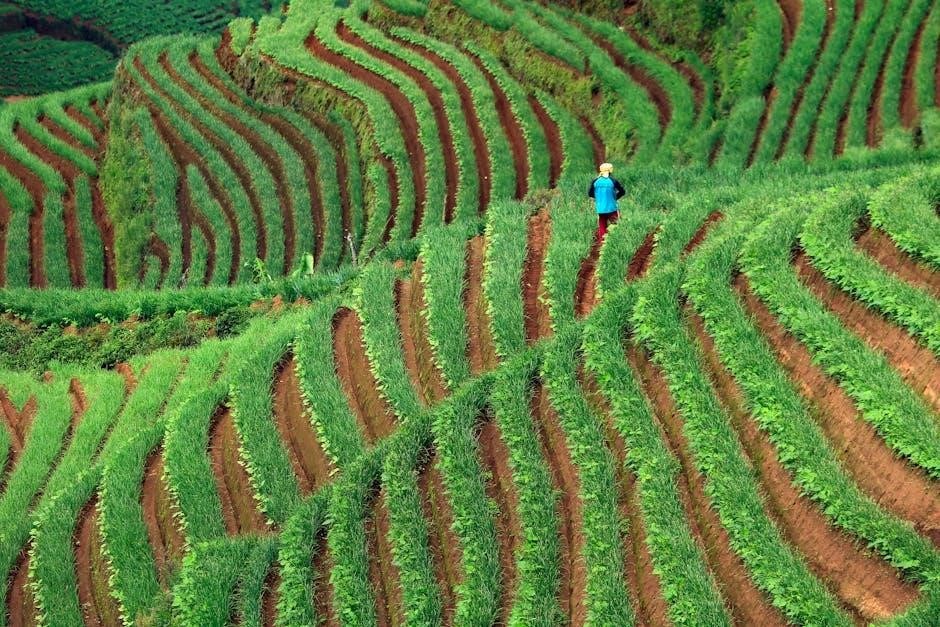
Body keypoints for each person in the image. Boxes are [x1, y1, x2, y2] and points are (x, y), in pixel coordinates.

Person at [587, 162, 625, 240]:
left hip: (600, 209)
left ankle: (603, 242)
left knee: (602, 227)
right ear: (609, 171)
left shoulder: (595, 181)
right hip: (612, 208)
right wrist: (615, 197)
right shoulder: (613, 181)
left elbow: (590, 193)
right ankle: (615, 241)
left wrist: (599, 198)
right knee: (615, 225)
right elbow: (622, 191)